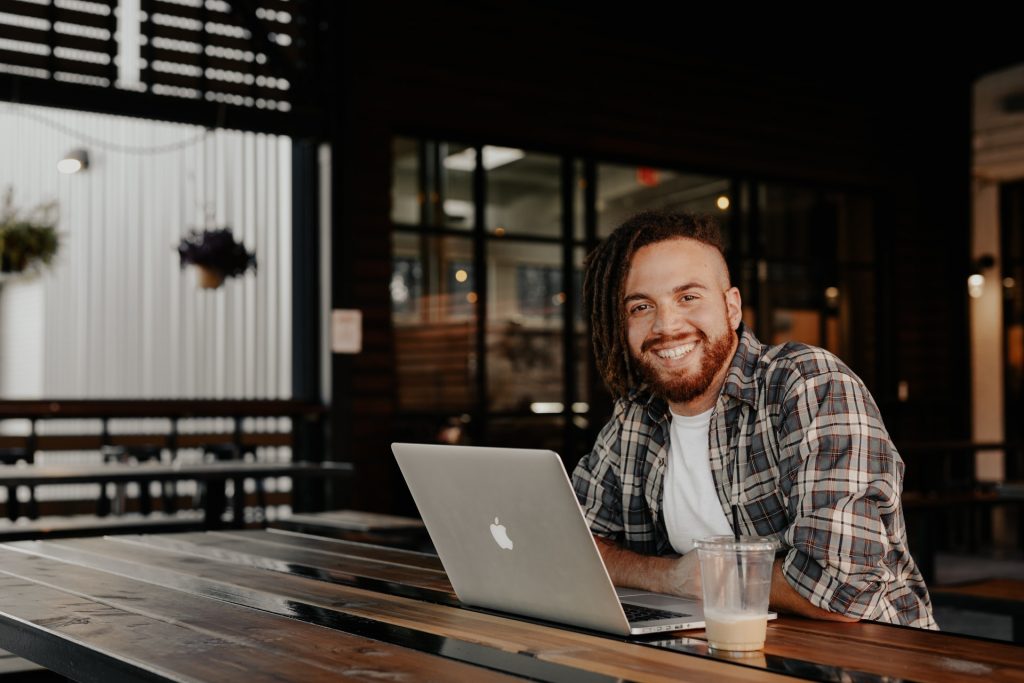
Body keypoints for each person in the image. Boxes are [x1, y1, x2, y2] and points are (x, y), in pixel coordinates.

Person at [572, 210, 936, 628]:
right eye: (641, 306)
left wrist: (711, 576)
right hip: (718, 652)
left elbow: (841, 588)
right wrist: (670, 577)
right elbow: (574, 542)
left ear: (731, 308)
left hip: (868, 659)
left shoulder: (808, 384)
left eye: (688, 297)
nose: (666, 325)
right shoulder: (637, 415)